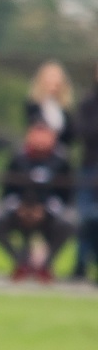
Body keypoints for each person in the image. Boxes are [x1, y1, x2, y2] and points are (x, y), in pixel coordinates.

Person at [0, 119, 75, 283]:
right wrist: (19, 207)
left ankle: (44, 265)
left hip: (50, 213)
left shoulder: (61, 161)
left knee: (70, 220)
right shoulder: (18, 158)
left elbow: (66, 195)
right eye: (36, 134)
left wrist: (45, 209)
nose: (40, 139)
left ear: (53, 137)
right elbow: (7, 191)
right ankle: (22, 262)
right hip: (18, 210)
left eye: (44, 134)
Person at [72, 64, 98, 284]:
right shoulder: (88, 103)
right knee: (84, 218)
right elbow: (85, 133)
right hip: (90, 166)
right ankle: (79, 266)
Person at [26, 60, 75, 154]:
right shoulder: (34, 106)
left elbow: (70, 134)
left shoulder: (65, 109)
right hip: (40, 153)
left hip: (60, 154)